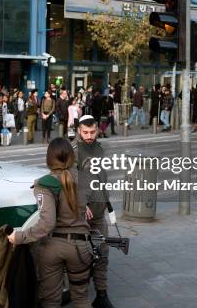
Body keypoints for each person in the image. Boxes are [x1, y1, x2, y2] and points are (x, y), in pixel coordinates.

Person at [7, 138, 93, 307]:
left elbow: (47, 223)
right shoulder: (85, 179)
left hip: (53, 247)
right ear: (71, 156)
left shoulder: (45, 183)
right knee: (81, 298)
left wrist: (20, 237)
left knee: (50, 300)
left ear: (49, 159)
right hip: (81, 246)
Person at [72, 116, 115, 308]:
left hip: (99, 214)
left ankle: (102, 294)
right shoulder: (73, 151)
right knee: (81, 257)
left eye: (92, 132)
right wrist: (82, 204)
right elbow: (70, 180)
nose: (89, 136)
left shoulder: (99, 148)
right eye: (85, 132)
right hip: (82, 216)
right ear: (79, 131)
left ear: (97, 130)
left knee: (102, 253)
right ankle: (81, 298)